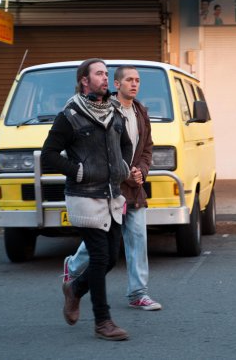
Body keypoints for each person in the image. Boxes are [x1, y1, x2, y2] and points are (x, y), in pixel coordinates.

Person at [41, 58, 133, 341]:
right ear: (84, 81)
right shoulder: (70, 115)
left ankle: (75, 289)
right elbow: (48, 155)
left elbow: (126, 144)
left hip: (111, 196)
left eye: (106, 74)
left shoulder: (114, 112)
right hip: (84, 197)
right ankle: (103, 322)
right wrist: (78, 171)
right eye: (99, 74)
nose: (106, 78)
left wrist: (124, 168)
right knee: (100, 255)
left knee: (109, 260)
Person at [63, 65, 162, 312]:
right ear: (116, 84)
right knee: (100, 241)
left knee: (138, 237)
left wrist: (142, 170)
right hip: (108, 187)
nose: (135, 84)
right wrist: (128, 174)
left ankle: (138, 293)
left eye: (138, 80)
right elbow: (105, 152)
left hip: (134, 187)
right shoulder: (104, 110)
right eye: (129, 79)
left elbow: (147, 148)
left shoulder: (140, 111)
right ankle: (73, 268)